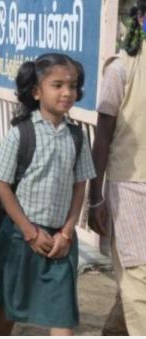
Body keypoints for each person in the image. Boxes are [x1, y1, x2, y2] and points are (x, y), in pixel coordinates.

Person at [0, 53, 96, 336]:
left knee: (62, 312)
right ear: (36, 91)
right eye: (57, 85)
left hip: (60, 241)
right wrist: (30, 232)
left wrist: (67, 232)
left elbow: (80, 185)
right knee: (10, 300)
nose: (67, 92)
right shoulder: (21, 134)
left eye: (73, 85)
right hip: (21, 237)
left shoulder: (77, 137)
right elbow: (1, 184)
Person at [88, 1, 146, 335]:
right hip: (130, 189)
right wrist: (96, 198)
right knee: (138, 280)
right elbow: (103, 138)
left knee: (133, 285)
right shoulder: (120, 69)